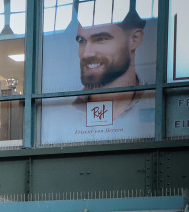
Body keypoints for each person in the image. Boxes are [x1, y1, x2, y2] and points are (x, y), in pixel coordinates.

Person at [41, 10, 154, 144]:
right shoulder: (54, 118)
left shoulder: (158, 107)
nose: (86, 54)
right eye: (82, 41)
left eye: (101, 39)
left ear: (135, 39)